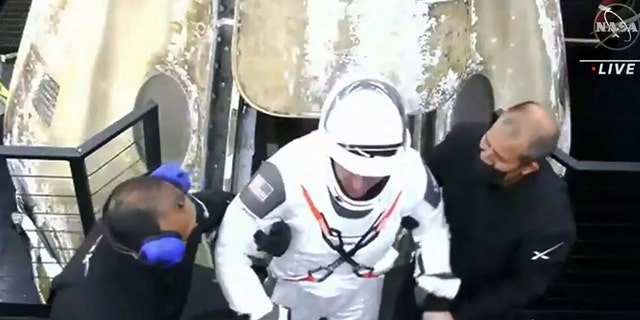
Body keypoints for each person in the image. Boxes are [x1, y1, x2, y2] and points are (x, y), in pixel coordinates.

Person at [215, 77, 460, 320]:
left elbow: (433, 230)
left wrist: (436, 301)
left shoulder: (410, 173)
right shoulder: (287, 170)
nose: (359, 184)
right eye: (350, 169)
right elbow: (232, 242)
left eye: (374, 175)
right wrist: (261, 311)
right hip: (295, 288)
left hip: (361, 290)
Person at [420, 101, 576, 320]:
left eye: (499, 158)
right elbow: (420, 184)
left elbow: (524, 285)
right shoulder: (464, 139)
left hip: (478, 300)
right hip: (429, 270)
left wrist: (460, 316)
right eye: (487, 143)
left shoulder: (550, 222)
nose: (485, 156)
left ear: (528, 167)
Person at [48, 164, 240, 320]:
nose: (196, 225)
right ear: (160, 251)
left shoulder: (172, 213)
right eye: (184, 237)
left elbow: (209, 208)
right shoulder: (79, 306)